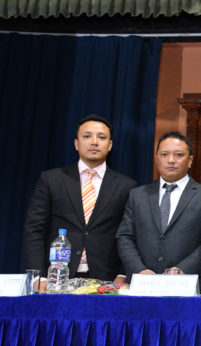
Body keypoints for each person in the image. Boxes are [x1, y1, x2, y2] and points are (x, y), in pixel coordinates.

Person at [23, 114, 136, 280]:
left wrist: (122, 273)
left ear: (110, 145)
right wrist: (38, 276)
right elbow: (35, 230)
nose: (94, 142)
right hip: (56, 275)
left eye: (101, 137)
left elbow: (129, 235)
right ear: (76, 143)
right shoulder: (52, 179)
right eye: (87, 136)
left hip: (106, 278)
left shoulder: (126, 186)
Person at [116, 132, 201, 284]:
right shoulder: (137, 195)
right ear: (156, 159)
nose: (171, 160)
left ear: (190, 160)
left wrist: (183, 270)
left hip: (188, 283)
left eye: (178, 155)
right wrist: (139, 270)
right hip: (143, 283)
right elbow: (125, 237)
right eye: (164, 154)